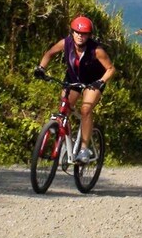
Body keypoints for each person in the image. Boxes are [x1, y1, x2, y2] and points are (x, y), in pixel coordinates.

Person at [34, 16, 115, 163]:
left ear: (89, 35)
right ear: (72, 32)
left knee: (85, 110)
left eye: (84, 33)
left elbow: (110, 69)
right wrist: (41, 68)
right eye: (77, 32)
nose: (80, 36)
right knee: (64, 110)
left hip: (92, 82)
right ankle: (66, 142)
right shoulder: (66, 43)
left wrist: (100, 82)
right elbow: (49, 53)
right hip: (72, 80)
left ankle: (84, 149)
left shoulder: (96, 50)